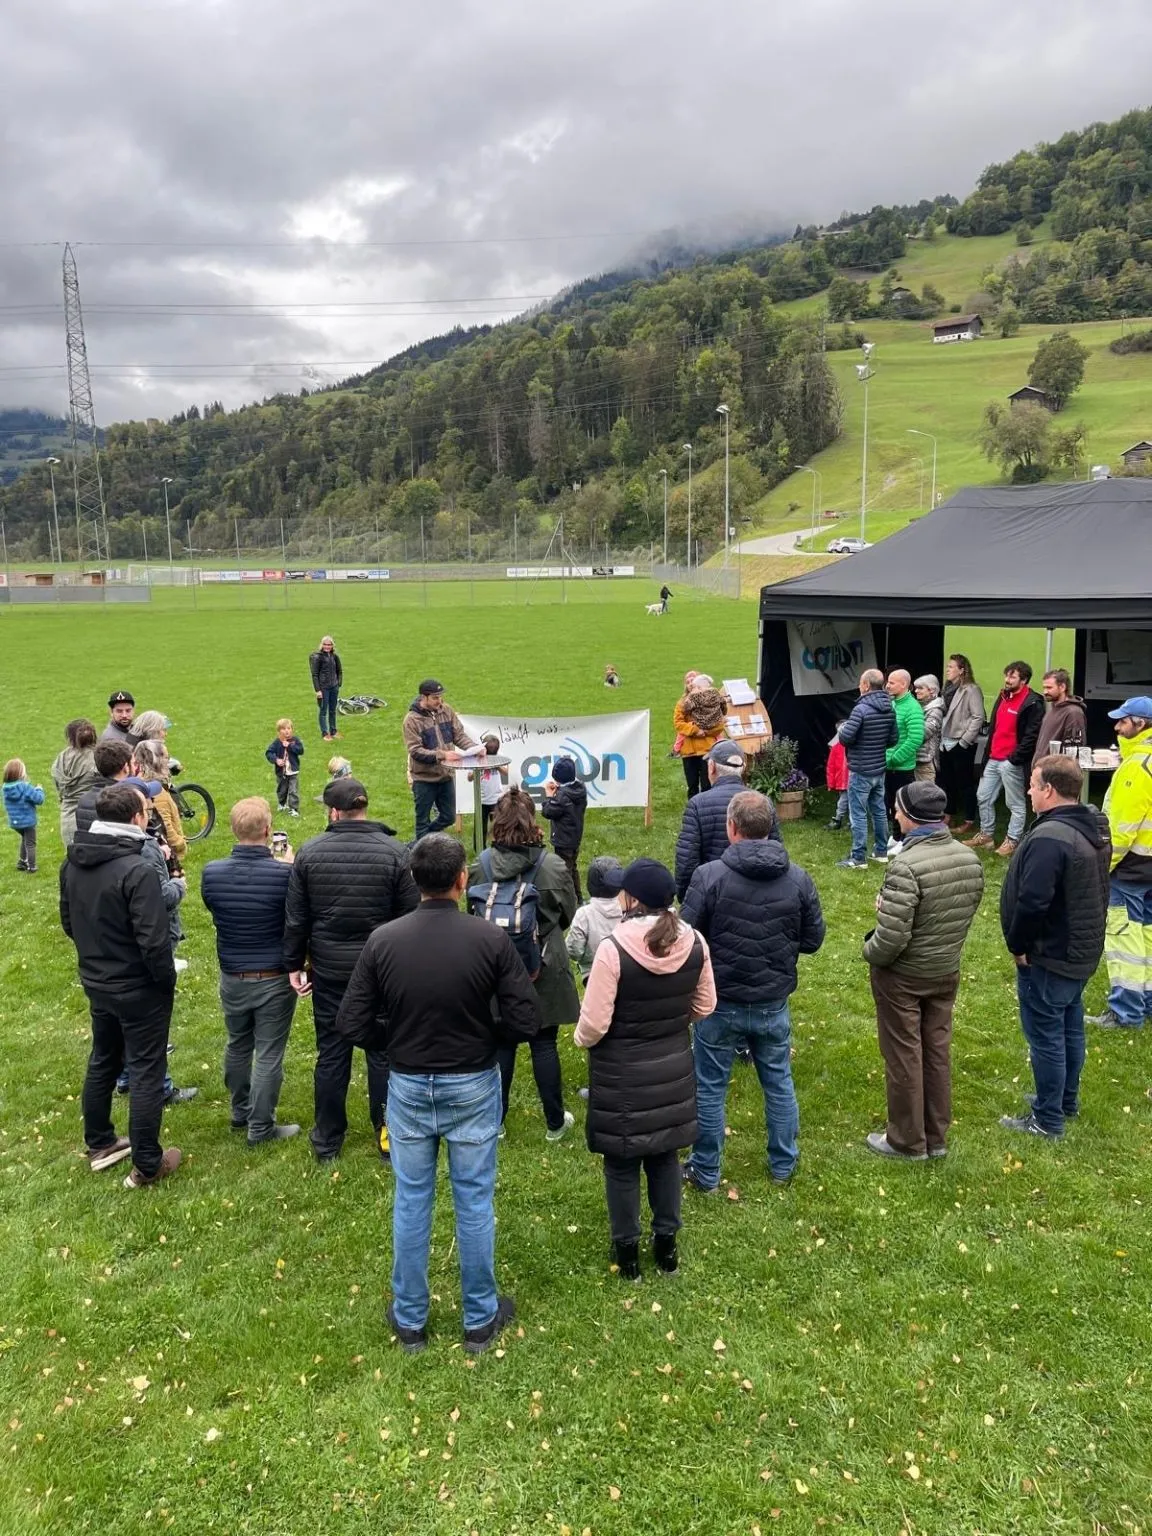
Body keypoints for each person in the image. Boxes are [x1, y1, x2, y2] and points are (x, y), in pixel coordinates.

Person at [335, 834, 542, 1355]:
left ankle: (414, 1320)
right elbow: (525, 1018)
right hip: (468, 1080)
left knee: (412, 1198)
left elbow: (352, 1021)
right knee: (472, 1199)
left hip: (412, 1081)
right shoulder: (488, 939)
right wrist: (484, 1038)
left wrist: (396, 1043)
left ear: (414, 880)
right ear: (461, 881)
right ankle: (476, 1318)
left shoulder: (385, 940)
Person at [574, 858, 717, 1281]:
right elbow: (705, 1005)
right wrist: (671, 1025)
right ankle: (667, 1249)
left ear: (631, 899)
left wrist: (581, 1039)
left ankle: (629, 1257)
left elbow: (595, 1022)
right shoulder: (695, 942)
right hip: (672, 1067)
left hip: (620, 1073)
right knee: (665, 1156)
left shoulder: (613, 950)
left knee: (621, 1163)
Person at [681, 791, 824, 1190]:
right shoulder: (795, 879)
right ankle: (782, 1164)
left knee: (709, 1085)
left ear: (731, 828)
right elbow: (813, 938)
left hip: (722, 1000)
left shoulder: (709, 877)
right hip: (766, 999)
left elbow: (684, 937)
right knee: (777, 1080)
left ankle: (706, 1169)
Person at [282, 775, 419, 1162]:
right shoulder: (396, 852)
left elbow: (296, 919)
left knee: (332, 1052)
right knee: (382, 1053)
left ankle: (327, 1139)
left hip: (331, 970)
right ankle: (387, 1134)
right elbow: (411, 916)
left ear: (334, 811)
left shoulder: (309, 853)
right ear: (363, 808)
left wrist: (294, 963)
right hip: (381, 971)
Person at [60, 783, 182, 1187]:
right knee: (147, 1069)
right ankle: (148, 1162)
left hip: (97, 980)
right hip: (138, 988)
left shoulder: (72, 862)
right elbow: (153, 940)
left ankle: (100, 1141)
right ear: (137, 817)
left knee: (104, 1057)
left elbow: (68, 923)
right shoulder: (136, 870)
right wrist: (164, 982)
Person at [862, 782, 985, 1160]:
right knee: (936, 1052)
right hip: (945, 970)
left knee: (904, 1055)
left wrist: (870, 949)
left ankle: (907, 1140)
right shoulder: (969, 859)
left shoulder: (907, 866)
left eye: (897, 809)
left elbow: (893, 938)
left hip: (904, 976)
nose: (894, 815)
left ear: (911, 817)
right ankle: (937, 1136)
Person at [999, 755, 1110, 1138]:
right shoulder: (1089, 827)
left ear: (1048, 789)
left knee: (1046, 1034)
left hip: (1051, 952)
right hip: (1080, 950)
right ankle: (1064, 1100)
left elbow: (1033, 901)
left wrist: (1018, 944)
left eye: (1032, 784)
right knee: (1069, 1026)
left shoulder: (1051, 837)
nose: (1028, 790)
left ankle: (1048, 1120)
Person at [468, 787, 579, 1140]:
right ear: (533, 821)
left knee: (502, 1045)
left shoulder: (480, 865)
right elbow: (570, 913)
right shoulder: (553, 865)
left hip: (493, 967)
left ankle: (495, 1124)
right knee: (543, 1043)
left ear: (494, 822)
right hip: (542, 962)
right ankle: (554, 1122)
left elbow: (470, 916)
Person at [201, 796, 300, 1145]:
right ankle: (260, 1126)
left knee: (238, 1044)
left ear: (233, 829)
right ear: (268, 830)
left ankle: (240, 1111)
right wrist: (290, 867)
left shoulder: (212, 873)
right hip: (273, 976)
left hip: (233, 973)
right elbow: (294, 917)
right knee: (269, 1052)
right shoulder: (285, 875)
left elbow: (215, 908)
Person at [1089, 697, 1152, 1031]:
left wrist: (1103, 865)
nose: (1116, 726)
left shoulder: (1136, 766)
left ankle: (1126, 1012)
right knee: (1147, 936)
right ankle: (1147, 1001)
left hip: (1131, 867)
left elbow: (1122, 829)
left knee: (1125, 939)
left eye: (1123, 720)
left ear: (1139, 724)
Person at [966, 661, 1043, 857]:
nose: (1007, 680)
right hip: (993, 758)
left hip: (1012, 761)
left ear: (1023, 680)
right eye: (1006, 676)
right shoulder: (1002, 697)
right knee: (983, 796)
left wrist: (1014, 758)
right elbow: (995, 729)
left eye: (1012, 677)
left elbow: (1031, 736)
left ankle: (1012, 840)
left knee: (1015, 803)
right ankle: (986, 835)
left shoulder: (1033, 702)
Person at [674, 741, 755, 900]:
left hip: (713, 893)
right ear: (743, 767)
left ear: (711, 768)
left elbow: (687, 860)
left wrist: (687, 897)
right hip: (756, 892)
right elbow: (775, 849)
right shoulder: (761, 802)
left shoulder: (697, 804)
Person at [837, 668, 898, 871]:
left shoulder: (861, 709)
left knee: (858, 813)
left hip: (861, 769)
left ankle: (858, 857)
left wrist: (842, 728)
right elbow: (893, 739)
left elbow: (846, 739)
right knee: (879, 811)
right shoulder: (889, 707)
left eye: (860, 683)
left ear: (865, 685)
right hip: (879, 769)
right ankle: (881, 852)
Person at [402, 678, 477, 841]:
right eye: (435, 697)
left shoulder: (447, 711)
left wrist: (475, 749)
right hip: (423, 779)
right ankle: (421, 855)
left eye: (440, 696)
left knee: (449, 816)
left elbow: (459, 735)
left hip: (445, 776)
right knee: (422, 821)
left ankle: (419, 841)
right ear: (424, 697)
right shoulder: (411, 720)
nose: (440, 701)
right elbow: (415, 751)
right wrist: (442, 755)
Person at [937, 654, 985, 833]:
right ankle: (948, 814)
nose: (947, 670)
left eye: (951, 667)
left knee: (965, 783)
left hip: (960, 742)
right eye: (947, 666)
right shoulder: (947, 688)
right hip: (945, 742)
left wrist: (964, 741)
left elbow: (978, 716)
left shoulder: (971, 690)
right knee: (947, 781)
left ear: (962, 670)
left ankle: (969, 819)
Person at [130, 740, 186, 870]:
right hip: (165, 858)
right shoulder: (156, 791)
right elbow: (166, 829)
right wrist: (181, 843)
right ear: (157, 760)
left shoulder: (140, 784)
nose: (168, 761)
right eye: (166, 757)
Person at [566, 856, 625, 979]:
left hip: (593, 973)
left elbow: (574, 949)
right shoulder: (629, 909)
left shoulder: (584, 914)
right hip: (625, 971)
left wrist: (585, 959)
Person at [672, 673, 726, 799]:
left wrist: (705, 732)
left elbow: (719, 725)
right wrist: (695, 730)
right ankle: (693, 811)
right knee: (692, 785)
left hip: (708, 749)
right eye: (688, 681)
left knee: (707, 785)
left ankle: (707, 809)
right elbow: (678, 723)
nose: (691, 684)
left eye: (693, 681)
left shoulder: (713, 701)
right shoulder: (682, 704)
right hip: (689, 751)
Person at [541, 756, 587, 903]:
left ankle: (567, 901)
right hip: (575, 837)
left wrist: (549, 796)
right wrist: (558, 792)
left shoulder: (561, 797)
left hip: (563, 840)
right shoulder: (580, 789)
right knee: (572, 868)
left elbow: (548, 811)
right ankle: (578, 898)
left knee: (563, 872)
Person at [52, 719, 100, 848]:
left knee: (73, 859)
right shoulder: (98, 757)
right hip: (95, 814)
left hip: (68, 818)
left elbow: (58, 788)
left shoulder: (60, 759)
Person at [884, 670, 925, 817]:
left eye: (891, 683)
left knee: (901, 809)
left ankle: (901, 838)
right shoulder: (893, 703)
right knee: (889, 805)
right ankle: (894, 838)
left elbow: (915, 739)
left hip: (900, 769)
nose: (887, 686)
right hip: (888, 766)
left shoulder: (913, 708)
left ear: (903, 685)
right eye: (887, 682)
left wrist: (895, 758)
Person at [75, 740, 134, 836]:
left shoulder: (84, 799)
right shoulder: (126, 800)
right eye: (134, 763)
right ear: (126, 767)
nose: (136, 768)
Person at [1032, 669, 1087, 766]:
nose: (1045, 692)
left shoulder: (1073, 713)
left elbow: (1073, 750)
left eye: (1049, 688)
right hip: (1041, 770)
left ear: (1062, 687)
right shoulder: (1053, 708)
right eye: (1044, 687)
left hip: (1055, 773)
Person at [4, 759, 45, 873]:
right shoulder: (25, 787)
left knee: (24, 839)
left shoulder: (6, 788)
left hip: (15, 823)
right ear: (20, 774)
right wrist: (39, 789)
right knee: (30, 843)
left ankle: (22, 862)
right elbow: (39, 799)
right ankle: (32, 866)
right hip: (28, 822)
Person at [471, 734, 508, 847]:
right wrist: (478, 768)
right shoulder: (478, 758)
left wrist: (495, 765)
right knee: (480, 828)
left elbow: (506, 772)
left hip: (496, 799)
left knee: (498, 826)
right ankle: (479, 848)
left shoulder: (499, 757)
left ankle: (498, 847)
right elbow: (469, 777)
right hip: (481, 800)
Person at [265, 718, 304, 818]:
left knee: (293, 790)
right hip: (281, 772)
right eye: (283, 729)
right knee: (282, 790)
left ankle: (294, 808)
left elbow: (300, 750)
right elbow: (269, 752)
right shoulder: (277, 742)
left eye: (289, 728)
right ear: (279, 731)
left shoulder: (295, 741)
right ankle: (282, 803)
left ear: (292, 729)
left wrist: (290, 746)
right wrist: (276, 760)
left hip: (293, 771)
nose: (287, 731)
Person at [309, 635, 343, 742]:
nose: (327, 646)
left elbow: (340, 671)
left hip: (334, 687)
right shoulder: (318, 657)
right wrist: (318, 690)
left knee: (332, 710)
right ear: (321, 645)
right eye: (325, 644)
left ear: (332, 646)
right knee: (323, 711)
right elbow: (314, 674)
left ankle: (333, 731)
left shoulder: (334, 657)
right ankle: (325, 733)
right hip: (324, 688)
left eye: (329, 644)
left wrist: (338, 684)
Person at [913, 675, 944, 783]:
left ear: (932, 690)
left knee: (926, 797)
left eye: (920, 688)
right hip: (915, 760)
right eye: (916, 688)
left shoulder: (936, 710)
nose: (916, 691)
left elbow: (923, 734)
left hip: (926, 762)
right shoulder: (918, 706)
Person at [824, 730, 849, 830]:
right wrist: (831, 783)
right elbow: (831, 766)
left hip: (850, 781)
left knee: (844, 801)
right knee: (846, 801)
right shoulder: (836, 748)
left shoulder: (854, 747)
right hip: (842, 781)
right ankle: (848, 821)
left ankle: (838, 820)